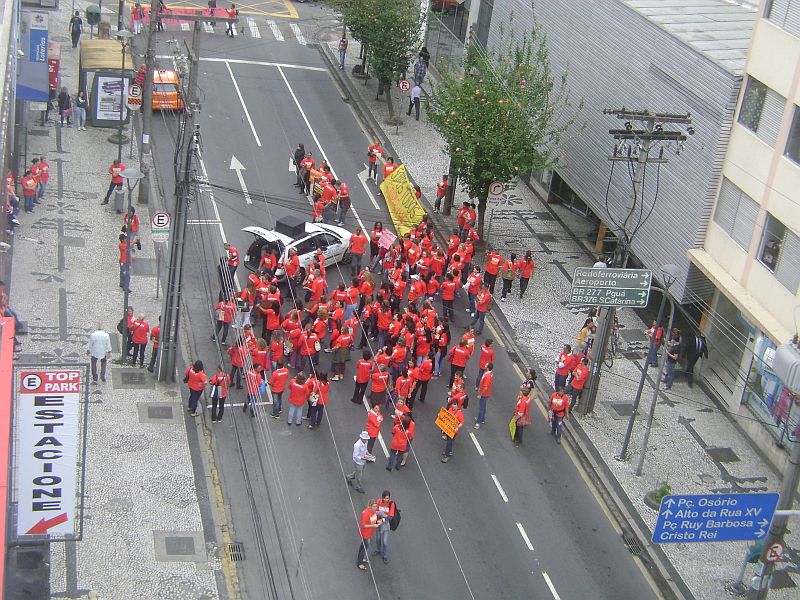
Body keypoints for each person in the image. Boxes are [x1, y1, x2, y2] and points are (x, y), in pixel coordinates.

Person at [356, 500, 383, 571]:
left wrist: (378, 522)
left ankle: (360, 559)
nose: (376, 507)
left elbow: (375, 520)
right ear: (370, 506)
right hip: (365, 534)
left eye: (376, 506)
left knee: (363, 546)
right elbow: (363, 525)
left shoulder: (374, 512)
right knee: (364, 547)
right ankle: (359, 563)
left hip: (369, 533)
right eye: (374, 506)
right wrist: (373, 525)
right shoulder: (366, 513)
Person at [373, 491, 396, 564]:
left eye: (388, 498)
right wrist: (382, 515)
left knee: (385, 542)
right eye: (385, 498)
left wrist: (383, 518)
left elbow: (391, 516)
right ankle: (378, 550)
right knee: (378, 538)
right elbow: (375, 511)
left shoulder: (391, 504)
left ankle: (385, 555)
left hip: (385, 524)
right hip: (379, 522)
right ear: (382, 498)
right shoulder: (379, 501)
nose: (387, 500)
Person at [441, 398, 464, 463]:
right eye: (452, 404)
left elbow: (461, 422)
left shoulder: (459, 413)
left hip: (453, 431)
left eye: (455, 404)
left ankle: (446, 455)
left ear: (457, 405)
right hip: (448, 429)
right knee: (450, 442)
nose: (453, 406)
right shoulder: (450, 409)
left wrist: (457, 428)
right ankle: (449, 451)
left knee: (449, 442)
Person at [474, 362, 494, 428]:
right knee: (483, 406)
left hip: (484, 394)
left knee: (481, 408)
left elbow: (485, 387)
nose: (484, 366)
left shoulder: (487, 376)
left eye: (485, 365)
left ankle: (478, 422)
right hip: (487, 393)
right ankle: (482, 419)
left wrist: (480, 394)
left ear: (488, 368)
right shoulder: (490, 373)